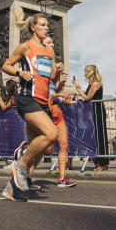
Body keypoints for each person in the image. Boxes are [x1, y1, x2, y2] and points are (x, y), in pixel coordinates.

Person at [1, 10, 61, 201]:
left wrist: (58, 71)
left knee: (47, 147)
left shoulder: (49, 51)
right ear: (33, 28)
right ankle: (20, 167)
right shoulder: (25, 47)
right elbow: (6, 65)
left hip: (44, 102)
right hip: (28, 99)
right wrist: (19, 73)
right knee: (51, 133)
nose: (46, 28)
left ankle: (15, 184)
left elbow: (51, 77)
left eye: (47, 25)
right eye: (42, 25)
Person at [46, 37, 76, 187]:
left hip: (58, 112)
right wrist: (58, 94)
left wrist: (62, 90)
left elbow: (54, 89)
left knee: (64, 144)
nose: (53, 45)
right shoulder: (43, 67)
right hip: (47, 113)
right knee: (47, 148)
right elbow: (44, 92)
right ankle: (25, 154)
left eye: (53, 42)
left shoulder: (57, 66)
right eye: (49, 43)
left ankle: (62, 177)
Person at [72, 64, 108, 172]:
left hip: (97, 111)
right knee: (96, 137)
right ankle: (100, 162)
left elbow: (87, 98)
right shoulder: (93, 83)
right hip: (94, 111)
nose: (84, 73)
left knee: (99, 137)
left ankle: (102, 163)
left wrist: (78, 89)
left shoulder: (95, 83)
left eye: (85, 71)